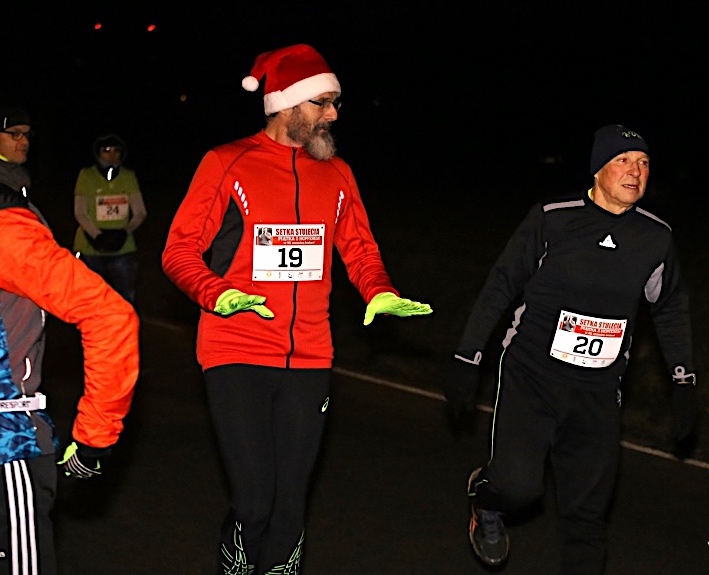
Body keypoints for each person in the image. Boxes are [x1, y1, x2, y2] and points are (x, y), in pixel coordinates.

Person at [161, 44, 432, 575]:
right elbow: (178, 250)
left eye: (334, 103)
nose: (333, 114)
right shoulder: (226, 162)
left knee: (290, 504)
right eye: (322, 103)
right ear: (286, 104)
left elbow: (360, 249)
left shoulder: (337, 173)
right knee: (255, 499)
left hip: (310, 355)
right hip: (236, 350)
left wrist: (378, 290)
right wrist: (215, 293)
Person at [443, 124, 697, 574]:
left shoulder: (655, 238)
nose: (635, 172)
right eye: (623, 160)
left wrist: (683, 384)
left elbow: (670, 309)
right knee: (520, 489)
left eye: (644, 163)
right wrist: (467, 357)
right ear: (598, 169)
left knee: (588, 518)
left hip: (598, 392)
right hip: (532, 380)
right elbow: (501, 285)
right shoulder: (553, 219)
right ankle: (487, 499)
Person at [0, 106, 140, 575]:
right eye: (14, 133)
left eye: (26, 134)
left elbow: (109, 315)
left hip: (6, 442)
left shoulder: (8, 228)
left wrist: (95, 433)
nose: (23, 141)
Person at [72, 133, 147, 304]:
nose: (112, 155)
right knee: (88, 299)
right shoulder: (87, 175)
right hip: (90, 247)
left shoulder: (128, 176)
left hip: (122, 248)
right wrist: (96, 235)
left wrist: (125, 232)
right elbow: (80, 212)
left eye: (116, 150)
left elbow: (140, 211)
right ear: (98, 153)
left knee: (124, 299)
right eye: (106, 150)